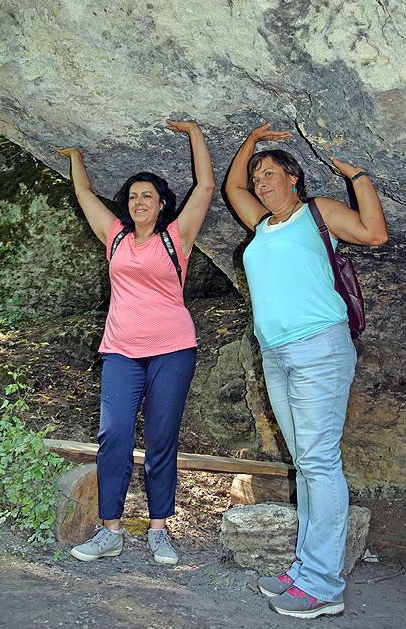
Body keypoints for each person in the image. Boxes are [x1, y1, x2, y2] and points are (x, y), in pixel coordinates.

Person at [225, 122, 388, 618]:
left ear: (293, 178)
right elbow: (231, 187)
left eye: (269, 174)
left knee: (319, 462)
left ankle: (322, 585)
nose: (259, 183)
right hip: (276, 352)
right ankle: (304, 571)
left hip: (319, 348)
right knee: (306, 463)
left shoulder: (317, 213)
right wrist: (251, 142)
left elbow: (374, 233)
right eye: (258, 179)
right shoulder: (262, 225)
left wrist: (357, 175)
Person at [58, 120, 214, 566]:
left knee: (161, 438)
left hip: (173, 349)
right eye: (132, 197)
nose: (138, 201)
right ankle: (110, 530)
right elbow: (86, 196)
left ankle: (159, 529)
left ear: (162, 204)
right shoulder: (116, 238)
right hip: (122, 351)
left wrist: (194, 133)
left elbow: (205, 184)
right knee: (115, 436)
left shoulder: (175, 238)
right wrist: (76, 160)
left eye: (148, 195)